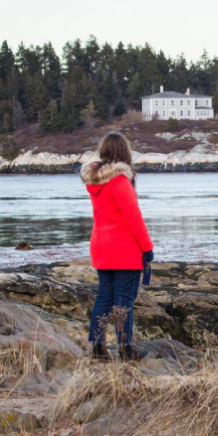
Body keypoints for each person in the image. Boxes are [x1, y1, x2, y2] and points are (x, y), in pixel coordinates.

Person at [80, 132, 154, 361]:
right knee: (124, 302)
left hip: (102, 247)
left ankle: (97, 347)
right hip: (123, 250)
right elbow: (134, 218)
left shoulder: (96, 182)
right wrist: (147, 248)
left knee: (104, 297)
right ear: (124, 153)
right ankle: (126, 349)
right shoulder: (120, 182)